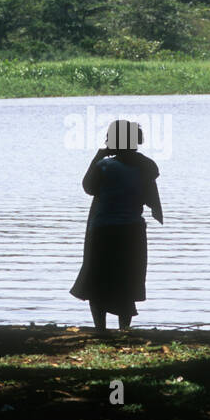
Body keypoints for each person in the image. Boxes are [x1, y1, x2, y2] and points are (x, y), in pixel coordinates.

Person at [69, 119, 163, 331]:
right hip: (132, 231)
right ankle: (124, 329)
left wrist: (99, 155)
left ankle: (100, 329)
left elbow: (88, 187)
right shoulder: (147, 166)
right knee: (127, 278)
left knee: (97, 278)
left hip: (103, 230)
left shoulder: (104, 165)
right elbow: (151, 193)